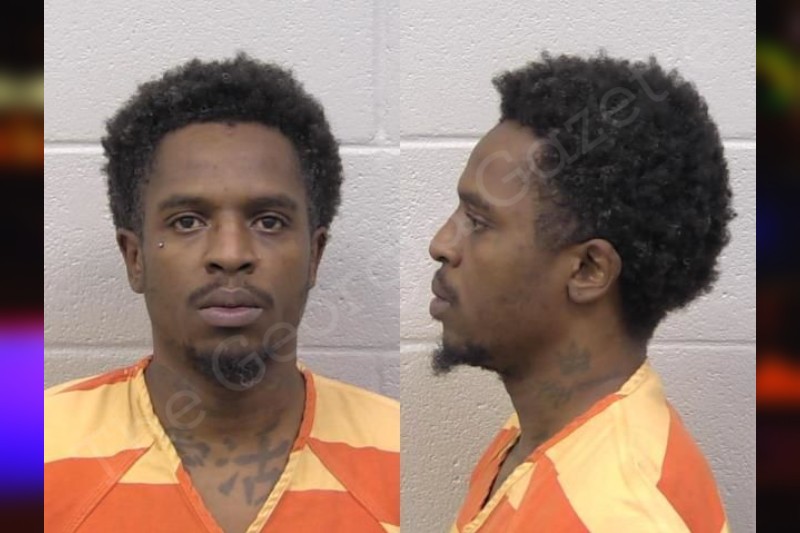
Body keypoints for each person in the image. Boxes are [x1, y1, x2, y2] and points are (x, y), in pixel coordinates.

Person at [44, 54, 399, 533]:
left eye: (268, 221)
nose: (231, 254)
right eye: (187, 222)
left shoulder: (395, 450)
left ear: (314, 256)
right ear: (135, 257)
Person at [428, 52, 734, 532]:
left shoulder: (618, 516)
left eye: (479, 222)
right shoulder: (545, 433)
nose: (441, 244)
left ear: (589, 269)